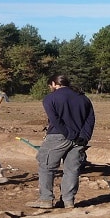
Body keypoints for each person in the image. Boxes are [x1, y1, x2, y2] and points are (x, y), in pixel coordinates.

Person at [27, 74, 96, 209]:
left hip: (58, 136)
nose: (50, 88)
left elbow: (55, 120)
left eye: (50, 86)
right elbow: (90, 119)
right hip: (79, 139)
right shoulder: (83, 98)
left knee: (46, 166)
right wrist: (84, 136)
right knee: (72, 170)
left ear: (54, 84)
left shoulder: (50, 98)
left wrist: (70, 134)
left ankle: (45, 199)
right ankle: (68, 201)